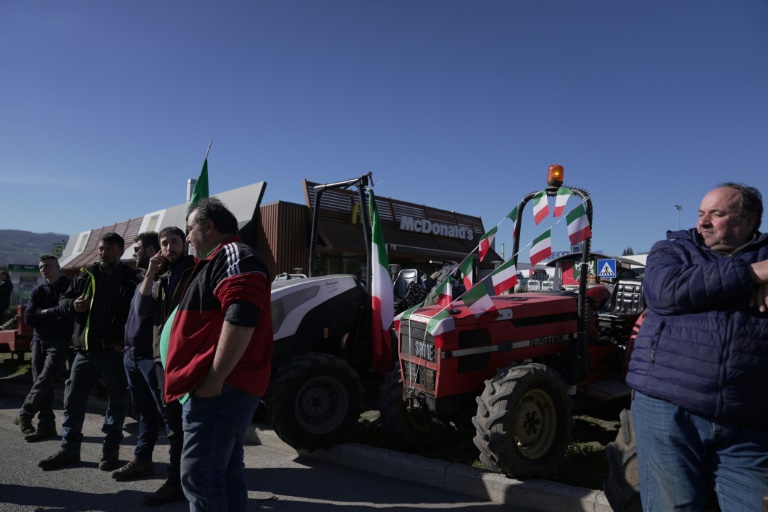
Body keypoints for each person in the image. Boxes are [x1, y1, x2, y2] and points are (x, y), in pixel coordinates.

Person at [626, 183, 768, 511]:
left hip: (747, 419)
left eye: (716, 214)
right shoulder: (675, 249)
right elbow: (665, 292)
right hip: (670, 408)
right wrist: (752, 275)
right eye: (701, 213)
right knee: (675, 506)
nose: (703, 221)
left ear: (749, 221)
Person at [164, 197, 273, 511]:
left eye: (188, 229)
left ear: (208, 227)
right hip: (222, 390)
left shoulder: (234, 254)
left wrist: (214, 379)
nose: (186, 237)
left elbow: (241, 316)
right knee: (223, 472)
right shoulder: (216, 261)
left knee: (199, 476)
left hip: (222, 390)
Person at [38, 232, 141, 471]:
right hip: (84, 352)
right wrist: (73, 305)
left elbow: (139, 316)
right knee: (73, 401)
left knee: (117, 403)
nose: (104, 253)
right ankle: (69, 450)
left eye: (109, 249)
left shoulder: (131, 279)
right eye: (102, 249)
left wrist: (125, 343)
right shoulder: (86, 275)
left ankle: (110, 452)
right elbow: (63, 301)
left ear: (120, 250)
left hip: (114, 353)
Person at [143, 226, 196, 507]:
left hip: (190, 358)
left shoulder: (198, 271)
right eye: (164, 243)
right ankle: (176, 481)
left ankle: (192, 479)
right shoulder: (160, 279)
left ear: (184, 243)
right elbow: (141, 310)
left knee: (195, 422)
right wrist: (151, 273)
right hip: (162, 360)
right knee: (173, 424)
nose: (169, 247)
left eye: (174, 241)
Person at [110, 232, 161, 483]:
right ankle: (143, 461)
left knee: (166, 413)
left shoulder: (164, 280)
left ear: (152, 251)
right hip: (131, 355)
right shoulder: (141, 279)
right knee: (145, 411)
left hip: (151, 358)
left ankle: (183, 470)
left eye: (138, 248)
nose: (134, 253)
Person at [13, 255, 74, 441]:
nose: (43, 269)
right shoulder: (38, 291)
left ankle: (25, 413)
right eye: (41, 267)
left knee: (46, 376)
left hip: (60, 340)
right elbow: (29, 318)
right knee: (41, 382)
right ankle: (46, 426)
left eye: (48, 266)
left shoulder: (68, 286)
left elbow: (68, 310)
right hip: (38, 340)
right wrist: (54, 315)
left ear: (58, 267)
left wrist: (45, 312)